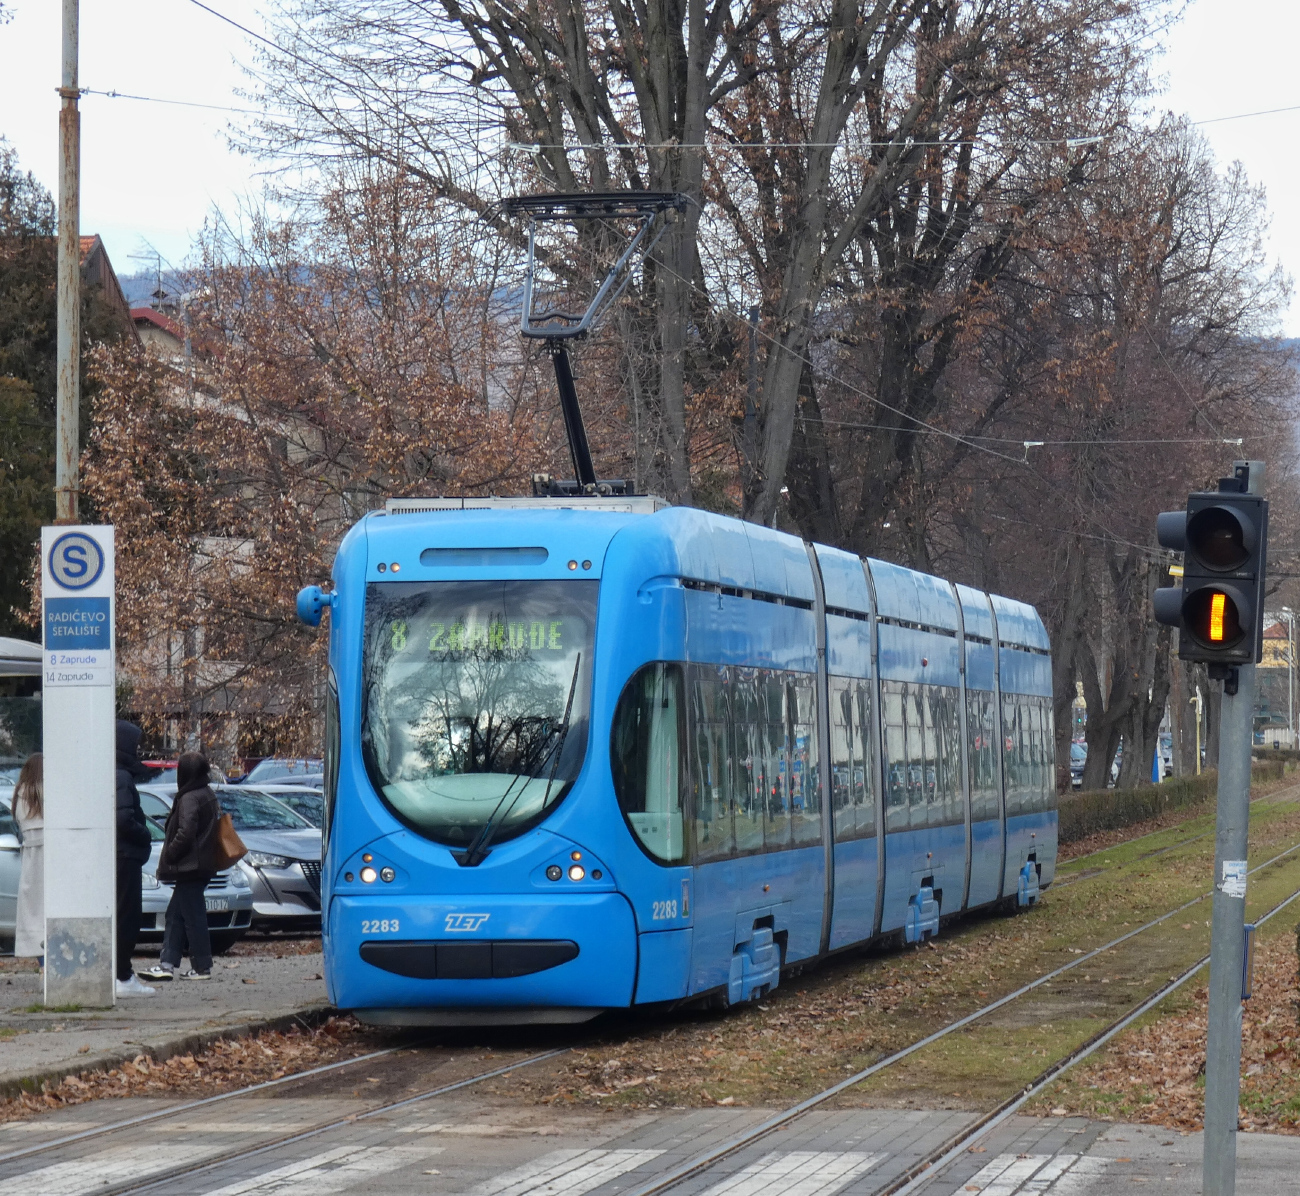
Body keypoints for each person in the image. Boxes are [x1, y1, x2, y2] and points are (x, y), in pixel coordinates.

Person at [139, 752, 220, 982]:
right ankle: (167, 964)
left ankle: (201, 966)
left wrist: (171, 853)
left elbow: (186, 832)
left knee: (192, 916)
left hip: (189, 866)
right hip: (201, 865)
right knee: (176, 914)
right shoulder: (207, 793)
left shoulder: (189, 797)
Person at [115, 722, 157, 997]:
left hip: (122, 855)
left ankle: (120, 973)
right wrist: (144, 836)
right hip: (125, 856)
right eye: (135, 745)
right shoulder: (121, 776)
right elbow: (122, 818)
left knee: (124, 916)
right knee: (127, 917)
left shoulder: (116, 774)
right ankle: (121, 975)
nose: (138, 751)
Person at [12, 753, 44, 965]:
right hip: (49, 856)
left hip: (30, 858)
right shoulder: (46, 792)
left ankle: (42, 965)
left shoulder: (20, 794)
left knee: (33, 914)